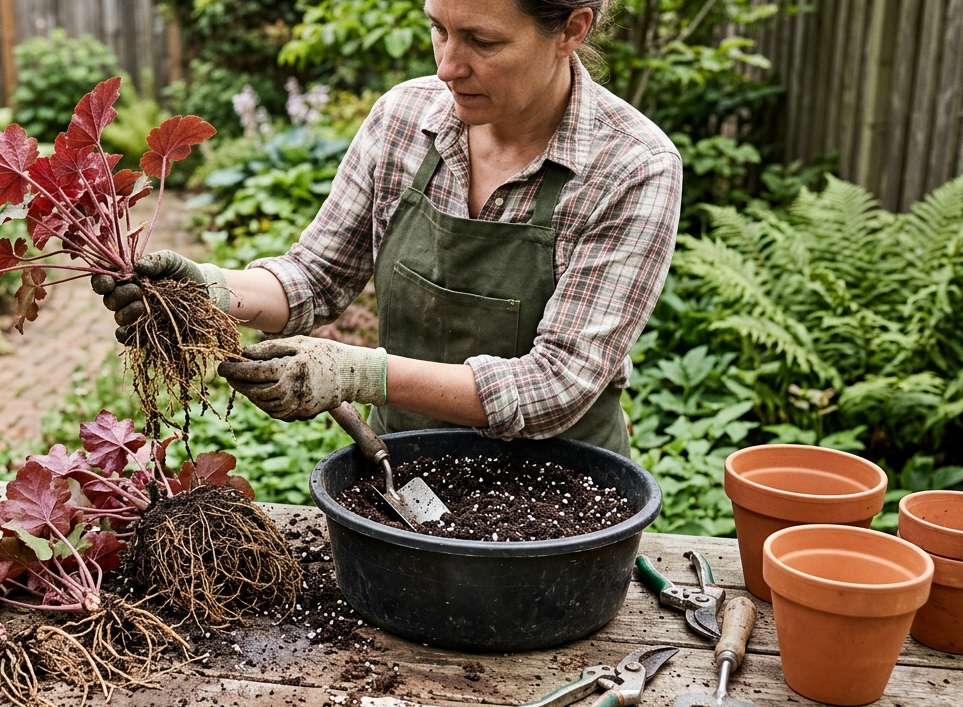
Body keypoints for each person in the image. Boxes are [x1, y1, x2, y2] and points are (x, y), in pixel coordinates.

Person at [94, 0, 681, 458]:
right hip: (401, 466)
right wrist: (209, 290)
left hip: (562, 492)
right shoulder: (405, 119)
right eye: (439, 30)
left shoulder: (631, 165)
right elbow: (316, 278)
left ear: (571, 30)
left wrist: (359, 373)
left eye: (482, 40)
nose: (447, 66)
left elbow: (557, 383)